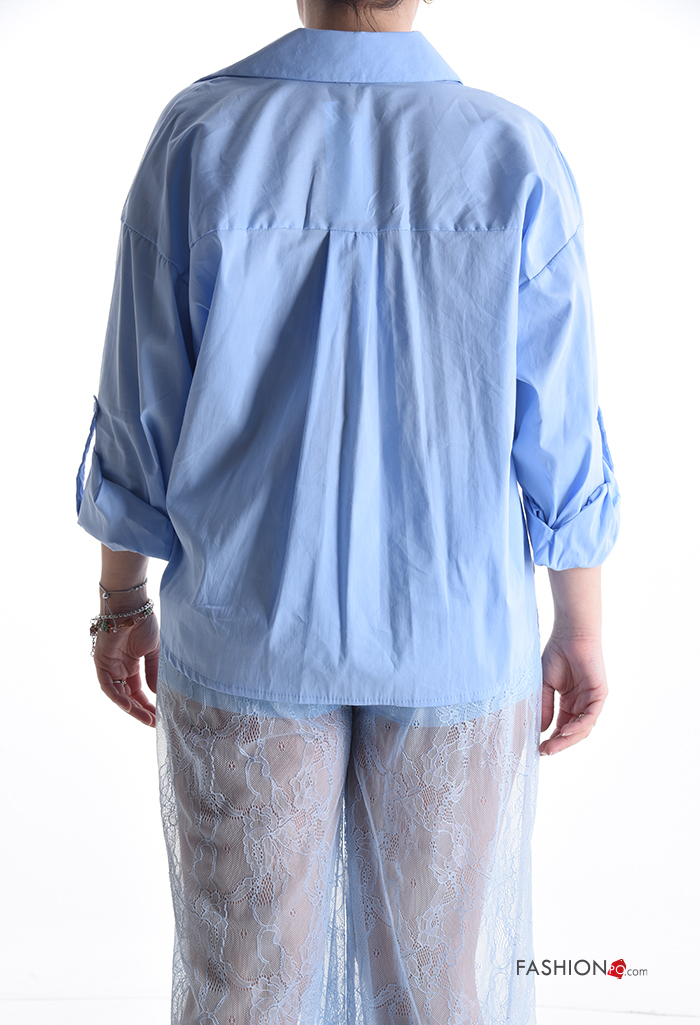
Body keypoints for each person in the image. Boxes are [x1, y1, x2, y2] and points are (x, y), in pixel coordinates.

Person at [76, 0, 621, 1022]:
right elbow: (559, 424)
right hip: (454, 633)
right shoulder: (514, 152)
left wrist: (120, 599)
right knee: (437, 988)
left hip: (249, 625)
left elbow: (141, 399)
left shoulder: (200, 136)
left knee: (243, 987)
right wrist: (580, 625)